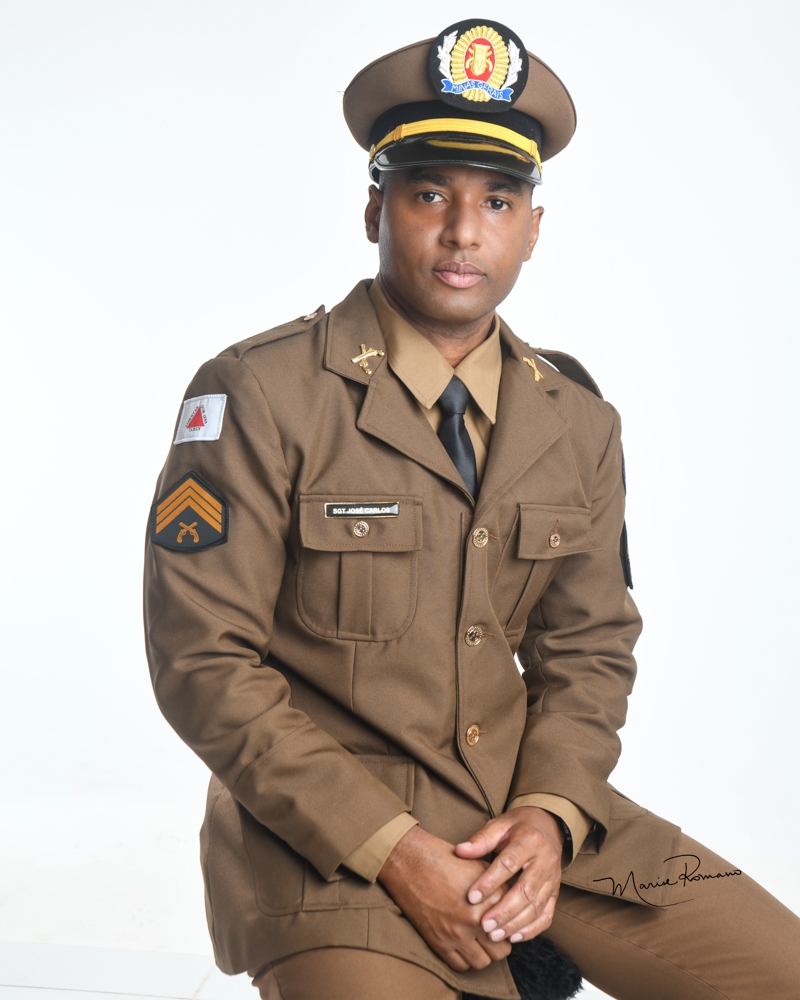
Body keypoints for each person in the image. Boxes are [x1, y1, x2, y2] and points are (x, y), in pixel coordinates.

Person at [143, 19, 800, 1000]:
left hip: (529, 820)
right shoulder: (261, 392)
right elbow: (204, 663)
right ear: (375, 209)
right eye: (428, 195)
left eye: (497, 199)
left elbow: (588, 648)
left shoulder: (574, 417)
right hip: (331, 843)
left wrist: (550, 814)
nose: (462, 231)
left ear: (532, 227)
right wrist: (397, 850)